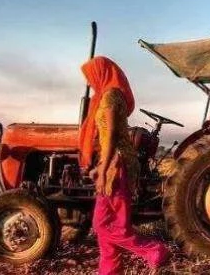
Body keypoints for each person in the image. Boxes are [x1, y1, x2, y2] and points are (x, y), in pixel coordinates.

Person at [78, 56, 169, 275]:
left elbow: (109, 137)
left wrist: (102, 170)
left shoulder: (109, 97)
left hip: (116, 165)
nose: (90, 83)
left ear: (101, 73)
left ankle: (153, 250)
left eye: (91, 77)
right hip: (120, 162)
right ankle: (110, 271)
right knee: (111, 224)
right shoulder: (114, 95)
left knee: (103, 224)